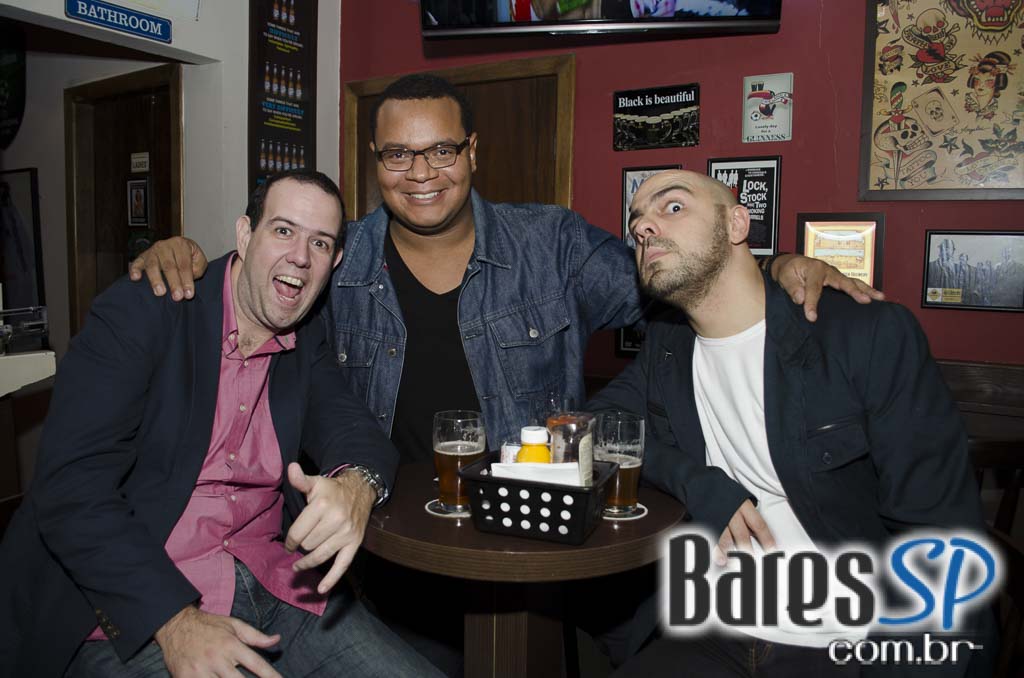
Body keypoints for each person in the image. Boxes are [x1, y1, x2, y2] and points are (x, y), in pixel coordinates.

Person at [128, 75, 879, 672]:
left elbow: (679, 281)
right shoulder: (337, 258)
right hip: (390, 559)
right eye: (397, 155)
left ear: (473, 152)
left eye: (441, 150)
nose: (421, 173)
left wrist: (777, 266)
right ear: (375, 162)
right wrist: (186, 258)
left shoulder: (550, 244)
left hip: (546, 552)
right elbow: (261, 284)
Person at [0, 171, 443, 678]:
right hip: (137, 606)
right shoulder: (144, 311)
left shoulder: (305, 337)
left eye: (320, 242)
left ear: (334, 261)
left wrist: (356, 485)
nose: (300, 256)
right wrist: (174, 622)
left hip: (277, 585)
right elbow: (69, 487)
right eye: (283, 230)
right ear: (245, 235)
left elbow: (355, 428)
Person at [587, 170, 994, 677]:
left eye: (672, 207)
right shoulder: (668, 346)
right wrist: (695, 483)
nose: (644, 227)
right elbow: (591, 426)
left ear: (737, 224)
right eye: (637, 222)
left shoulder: (862, 335)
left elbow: (938, 540)